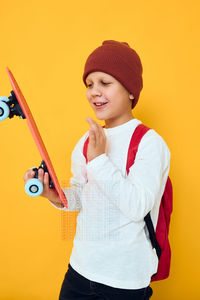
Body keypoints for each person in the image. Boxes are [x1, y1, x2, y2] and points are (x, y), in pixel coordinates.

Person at [24, 40, 170, 300]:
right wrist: (54, 195)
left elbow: (138, 206)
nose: (94, 92)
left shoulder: (149, 142)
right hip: (80, 270)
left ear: (131, 91)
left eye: (105, 82)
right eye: (89, 84)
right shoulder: (86, 141)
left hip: (125, 280)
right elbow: (82, 198)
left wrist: (99, 160)